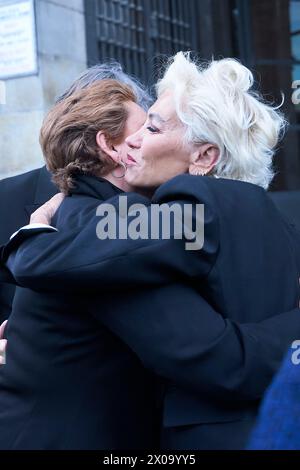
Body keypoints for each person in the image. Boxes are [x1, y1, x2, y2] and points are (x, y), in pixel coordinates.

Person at [2, 52, 300, 450]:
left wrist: (31, 237)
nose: (138, 142)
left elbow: (224, 358)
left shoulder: (190, 209)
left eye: (153, 128)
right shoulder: (274, 218)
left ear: (205, 156)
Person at [0, 62, 153, 325]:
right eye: (145, 129)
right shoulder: (6, 199)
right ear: (107, 143)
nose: (148, 141)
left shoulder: (159, 208)